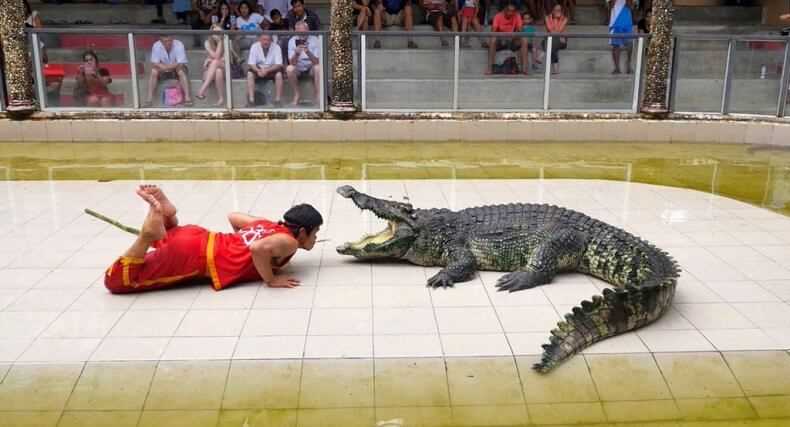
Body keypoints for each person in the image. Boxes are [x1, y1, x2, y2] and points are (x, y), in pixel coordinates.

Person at [103, 185, 322, 294]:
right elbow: (258, 249)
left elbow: (233, 216)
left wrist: (239, 248)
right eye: (315, 232)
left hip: (198, 236)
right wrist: (271, 280)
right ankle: (147, 236)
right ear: (302, 232)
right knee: (118, 282)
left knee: (168, 243)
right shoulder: (290, 242)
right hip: (197, 256)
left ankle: (169, 221)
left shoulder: (268, 224)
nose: (316, 238)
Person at [145, 36, 193, 107]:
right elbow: (155, 62)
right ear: (161, 41)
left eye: (170, 40)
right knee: (153, 71)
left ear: (172, 39)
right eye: (165, 41)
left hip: (176, 68)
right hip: (163, 68)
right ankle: (149, 99)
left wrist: (167, 67)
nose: (168, 43)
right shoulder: (156, 45)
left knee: (181, 71)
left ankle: (187, 98)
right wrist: (164, 67)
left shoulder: (179, 44)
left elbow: (180, 62)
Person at [486, 1, 528, 76]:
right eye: (509, 11)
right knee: (493, 39)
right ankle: (489, 69)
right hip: (500, 40)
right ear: (504, 10)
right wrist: (501, 36)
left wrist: (517, 34)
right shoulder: (498, 16)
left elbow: (520, 30)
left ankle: (524, 69)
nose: (511, 13)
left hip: (512, 40)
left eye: (513, 11)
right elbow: (493, 32)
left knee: (524, 39)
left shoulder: (517, 15)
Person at [286, 21, 321, 105]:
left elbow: (317, 61)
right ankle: (297, 94)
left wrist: (308, 52)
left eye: (304, 31)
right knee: (289, 69)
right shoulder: (292, 40)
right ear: (296, 31)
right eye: (300, 31)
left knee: (318, 68)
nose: (302, 33)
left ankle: (318, 95)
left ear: (308, 30)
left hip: (311, 67)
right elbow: (291, 63)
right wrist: (296, 53)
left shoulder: (315, 39)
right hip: (298, 67)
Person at [246, 33, 284, 107]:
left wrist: (267, 70)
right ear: (260, 40)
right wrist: (258, 71)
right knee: (250, 74)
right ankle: (251, 101)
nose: (266, 42)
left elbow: (279, 64)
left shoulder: (276, 47)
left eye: (268, 40)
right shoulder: (254, 46)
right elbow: (251, 63)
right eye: (264, 40)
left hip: (272, 68)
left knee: (279, 75)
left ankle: (278, 100)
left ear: (271, 41)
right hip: (258, 68)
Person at [196, 25, 227, 106]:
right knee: (218, 71)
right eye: (215, 33)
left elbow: (218, 58)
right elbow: (216, 57)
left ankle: (202, 90)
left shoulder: (226, 41)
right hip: (211, 70)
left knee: (215, 62)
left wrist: (220, 42)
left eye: (219, 33)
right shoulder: (207, 43)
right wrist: (211, 60)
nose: (217, 35)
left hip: (226, 68)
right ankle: (221, 98)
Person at [608, 0, 633, 74]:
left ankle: (628, 65)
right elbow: (610, 6)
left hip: (627, 20)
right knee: (616, 45)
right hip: (615, 21)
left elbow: (630, 5)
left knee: (629, 44)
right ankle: (617, 68)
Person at [542, 2, 568, 75]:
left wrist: (556, 20)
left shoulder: (565, 19)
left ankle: (543, 53)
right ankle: (556, 69)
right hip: (554, 39)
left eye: (559, 10)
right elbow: (550, 29)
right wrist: (555, 31)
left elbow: (559, 30)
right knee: (552, 43)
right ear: (552, 11)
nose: (558, 12)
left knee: (550, 42)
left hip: (562, 40)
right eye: (556, 10)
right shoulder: (547, 18)